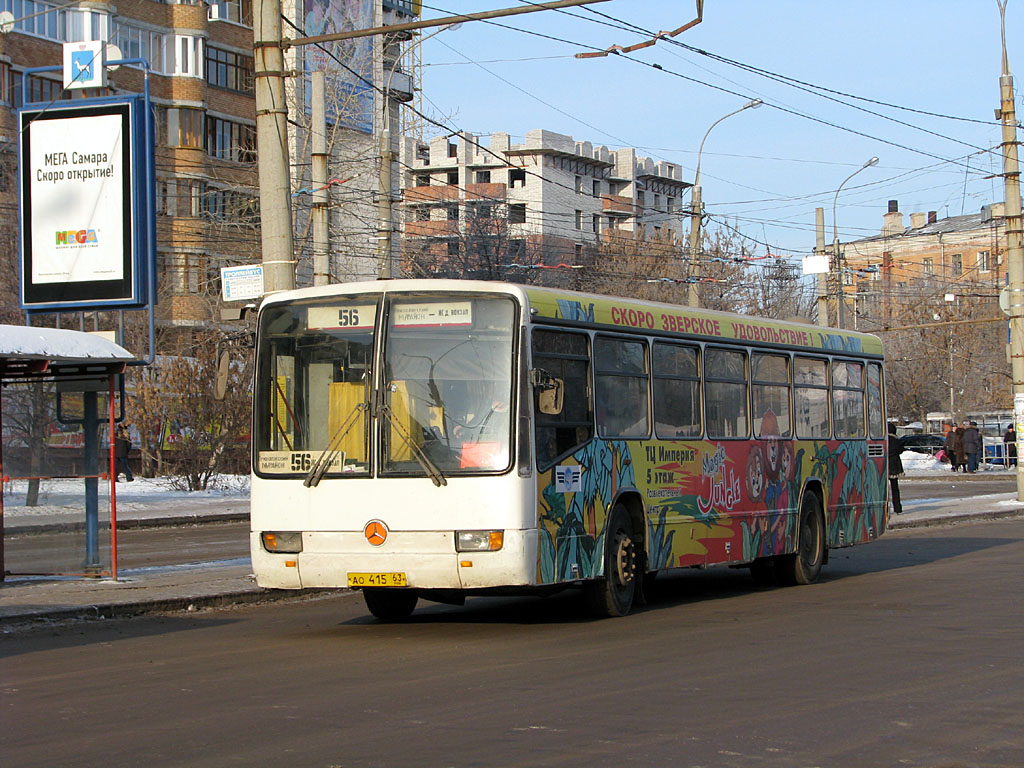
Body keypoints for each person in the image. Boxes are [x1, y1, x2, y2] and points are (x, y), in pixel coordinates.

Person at [887, 422, 904, 515]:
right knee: (895, 488)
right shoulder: (896, 440)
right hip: (894, 465)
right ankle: (897, 508)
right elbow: (901, 450)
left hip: (885, 465)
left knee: (884, 488)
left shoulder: (884, 439)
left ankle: (885, 508)